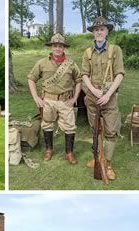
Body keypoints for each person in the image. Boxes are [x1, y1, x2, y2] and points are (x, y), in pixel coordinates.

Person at [27, 33, 82, 164]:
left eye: (60, 46)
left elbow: (79, 80)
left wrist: (75, 98)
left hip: (65, 101)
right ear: (51, 47)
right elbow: (31, 78)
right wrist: (35, 97)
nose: (57, 48)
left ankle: (69, 153)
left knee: (70, 126)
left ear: (64, 48)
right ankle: (49, 149)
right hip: (48, 100)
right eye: (55, 46)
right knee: (47, 124)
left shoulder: (71, 64)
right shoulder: (42, 63)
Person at [81, 16, 125, 180]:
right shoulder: (87, 52)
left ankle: (108, 164)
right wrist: (92, 90)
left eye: (102, 29)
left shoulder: (115, 50)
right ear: (93, 32)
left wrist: (107, 94)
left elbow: (120, 74)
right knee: (95, 130)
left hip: (109, 97)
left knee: (110, 132)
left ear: (107, 31)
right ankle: (97, 158)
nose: (99, 32)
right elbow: (84, 75)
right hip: (92, 97)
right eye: (96, 29)